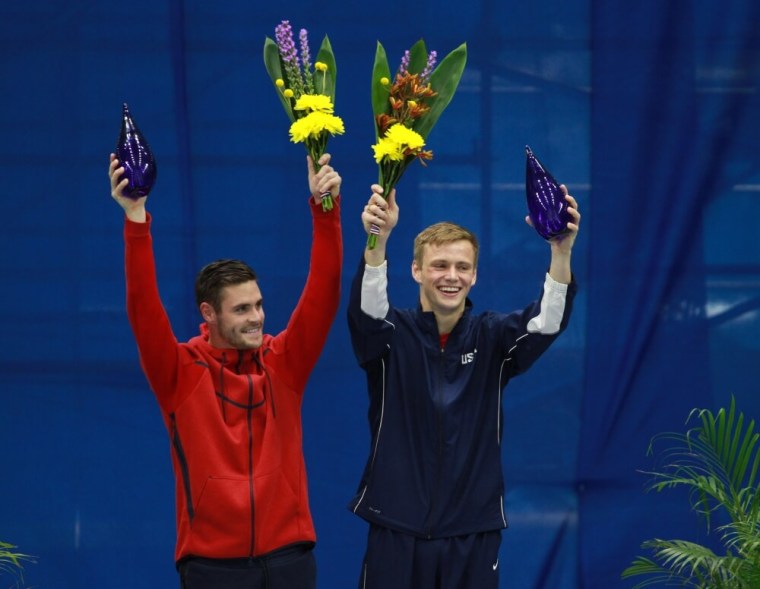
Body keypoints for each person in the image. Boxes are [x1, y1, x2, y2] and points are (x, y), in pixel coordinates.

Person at [108, 152, 343, 589]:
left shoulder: (284, 362)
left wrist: (325, 208)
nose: (256, 317)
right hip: (212, 569)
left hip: (290, 559)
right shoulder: (179, 372)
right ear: (208, 313)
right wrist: (135, 217)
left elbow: (323, 293)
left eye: (258, 305)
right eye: (241, 309)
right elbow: (143, 309)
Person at [347, 183, 580, 589]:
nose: (450, 276)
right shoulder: (388, 335)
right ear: (416, 270)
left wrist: (561, 251)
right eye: (439, 265)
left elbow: (548, 321)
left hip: (471, 531)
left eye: (461, 267)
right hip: (396, 527)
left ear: (474, 275)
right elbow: (368, 307)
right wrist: (377, 241)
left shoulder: (493, 337)